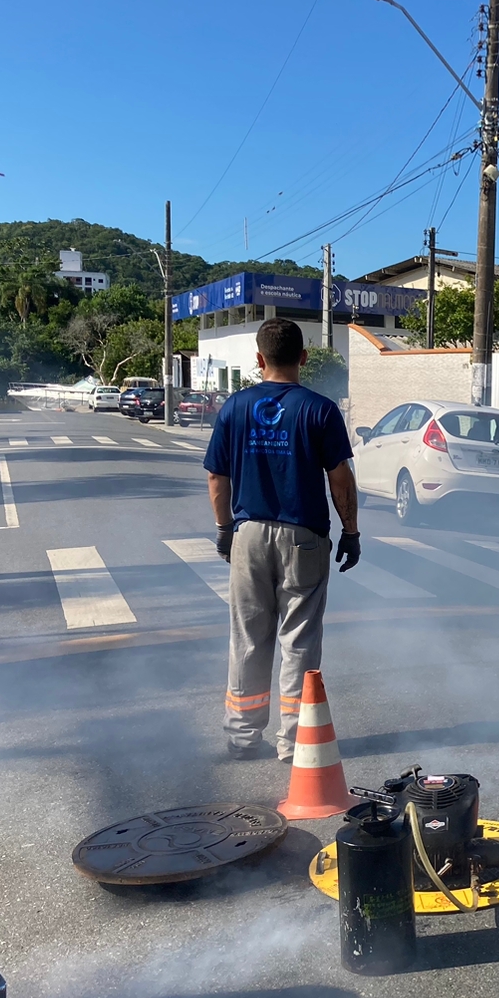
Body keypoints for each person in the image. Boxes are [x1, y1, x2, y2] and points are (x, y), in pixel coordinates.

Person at [204, 317, 360, 761]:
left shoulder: (234, 407)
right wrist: (350, 531)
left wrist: (223, 529)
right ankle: (294, 741)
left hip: (249, 533)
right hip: (304, 537)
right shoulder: (320, 409)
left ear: (258, 359)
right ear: (304, 359)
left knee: (248, 637)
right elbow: (340, 478)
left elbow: (218, 477)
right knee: (300, 639)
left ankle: (241, 735)